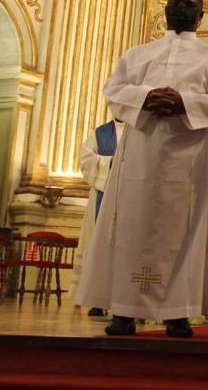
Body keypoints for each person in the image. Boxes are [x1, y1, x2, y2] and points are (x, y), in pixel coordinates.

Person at [76, 0, 208, 338]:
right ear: (166, 10)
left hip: (188, 158)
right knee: (131, 229)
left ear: (201, 15)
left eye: (188, 5)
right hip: (140, 156)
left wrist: (185, 103)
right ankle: (124, 310)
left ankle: (177, 313)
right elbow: (113, 90)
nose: (181, 9)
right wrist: (147, 97)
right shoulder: (137, 55)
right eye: (175, 3)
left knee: (184, 232)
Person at [73, 117, 125, 316]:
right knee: (98, 244)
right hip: (101, 196)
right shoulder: (99, 133)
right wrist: (109, 162)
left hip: (129, 196)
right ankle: (97, 299)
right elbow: (85, 160)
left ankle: (122, 300)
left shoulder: (139, 130)